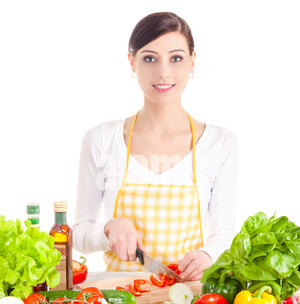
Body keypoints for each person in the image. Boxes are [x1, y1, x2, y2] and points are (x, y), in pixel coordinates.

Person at [72, 12, 238, 281]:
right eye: (150, 58)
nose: (164, 73)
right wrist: (108, 229)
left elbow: (223, 236)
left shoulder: (220, 143)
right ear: (132, 62)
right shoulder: (101, 140)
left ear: (192, 62)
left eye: (176, 58)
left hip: (188, 303)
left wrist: (209, 254)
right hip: (119, 303)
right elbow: (78, 234)